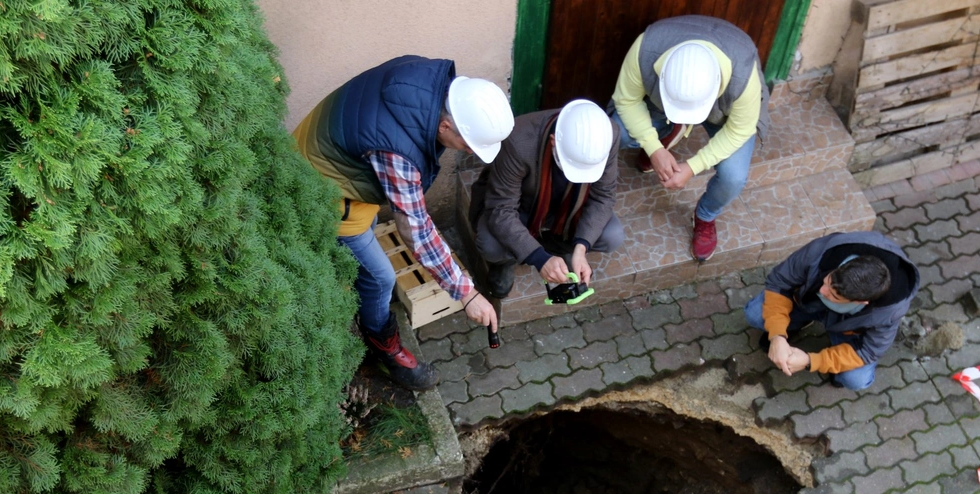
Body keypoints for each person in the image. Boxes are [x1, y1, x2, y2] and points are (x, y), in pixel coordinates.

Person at [294, 57, 512, 390]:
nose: (468, 152)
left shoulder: (427, 81)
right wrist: (466, 294)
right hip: (324, 188)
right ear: (445, 127)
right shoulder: (398, 154)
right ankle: (382, 345)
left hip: (327, 151)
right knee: (380, 278)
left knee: (367, 251)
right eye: (468, 144)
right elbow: (417, 232)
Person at [610, 16, 770, 262]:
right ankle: (668, 130)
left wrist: (693, 166)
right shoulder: (645, 48)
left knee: (734, 176)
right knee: (613, 132)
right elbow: (626, 100)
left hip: (723, 115)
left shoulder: (744, 77)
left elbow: (739, 130)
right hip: (658, 105)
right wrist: (654, 149)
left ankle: (705, 215)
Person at [467, 99, 623, 299]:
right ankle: (507, 261)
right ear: (553, 142)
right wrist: (538, 257)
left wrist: (581, 247)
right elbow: (501, 209)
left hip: (568, 211)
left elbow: (604, 197)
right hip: (524, 206)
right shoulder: (519, 141)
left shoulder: (608, 135)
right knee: (490, 245)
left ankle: (567, 247)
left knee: (613, 236)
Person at [746, 232, 921, 391]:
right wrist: (777, 336)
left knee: (855, 379)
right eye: (827, 281)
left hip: (850, 327)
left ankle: (836, 362)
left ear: (860, 302)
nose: (822, 291)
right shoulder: (822, 252)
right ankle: (798, 323)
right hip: (807, 302)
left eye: (834, 295)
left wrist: (811, 361)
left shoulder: (889, 311)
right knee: (755, 314)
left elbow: (868, 350)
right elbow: (779, 283)